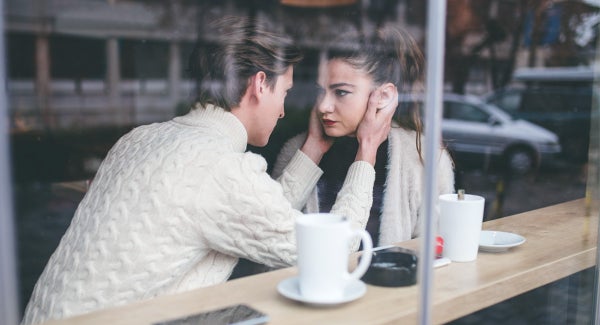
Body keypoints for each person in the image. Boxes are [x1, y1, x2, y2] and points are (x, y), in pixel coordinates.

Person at [21, 16, 397, 325]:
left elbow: (254, 216)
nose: (284, 110)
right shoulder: (220, 168)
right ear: (259, 84)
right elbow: (336, 253)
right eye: (285, 93)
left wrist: (314, 146)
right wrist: (367, 149)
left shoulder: (139, 139)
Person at [272, 26, 455, 247]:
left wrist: (367, 147)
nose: (323, 106)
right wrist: (313, 147)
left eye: (341, 92)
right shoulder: (296, 151)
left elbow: (433, 257)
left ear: (384, 96)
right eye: (321, 91)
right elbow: (269, 240)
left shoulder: (425, 158)